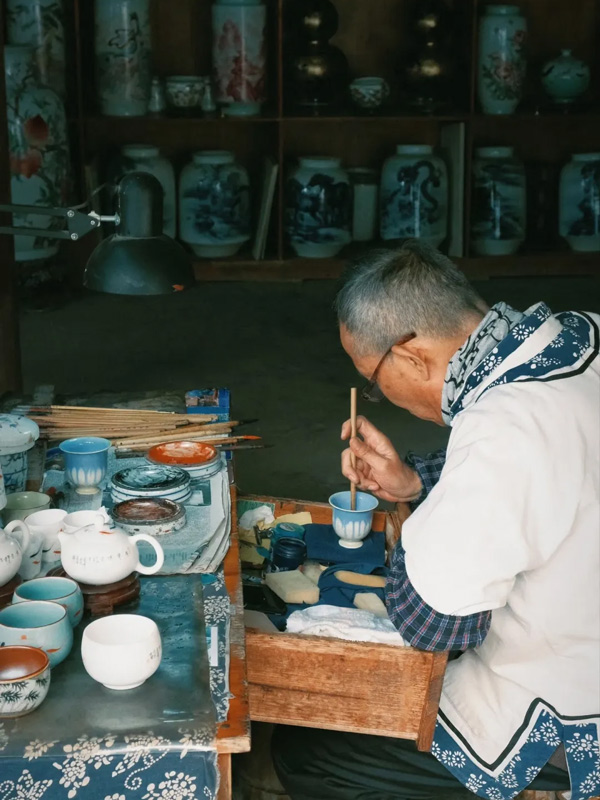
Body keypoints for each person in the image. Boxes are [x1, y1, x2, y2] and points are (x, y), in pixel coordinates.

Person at [272, 241, 600, 800]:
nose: (377, 396)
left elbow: (439, 624)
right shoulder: (581, 335)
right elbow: (558, 466)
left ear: (411, 357)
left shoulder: (506, 424)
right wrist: (417, 482)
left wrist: (414, 529)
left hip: (573, 700)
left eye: (373, 381)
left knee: (312, 752)